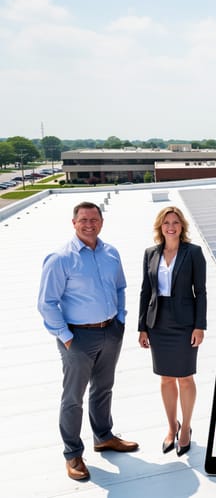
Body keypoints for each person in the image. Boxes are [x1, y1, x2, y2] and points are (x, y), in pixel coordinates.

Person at [38, 201, 139, 482]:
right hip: (78, 337)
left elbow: (120, 287)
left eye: (94, 219)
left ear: (101, 222)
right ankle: (73, 453)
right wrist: (67, 338)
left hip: (110, 331)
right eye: (83, 220)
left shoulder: (111, 253)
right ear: (74, 223)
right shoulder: (60, 258)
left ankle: (104, 436)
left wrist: (119, 320)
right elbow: (47, 304)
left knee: (103, 388)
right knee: (73, 398)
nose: (89, 224)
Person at [137, 206, 207, 457]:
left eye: (175, 222)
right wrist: (142, 327)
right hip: (158, 324)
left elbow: (201, 292)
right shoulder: (150, 254)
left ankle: (186, 428)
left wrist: (200, 325)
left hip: (185, 324)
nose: (171, 226)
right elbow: (146, 292)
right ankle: (171, 426)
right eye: (166, 222)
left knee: (185, 378)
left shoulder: (194, 253)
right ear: (160, 226)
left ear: (181, 226)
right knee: (166, 378)